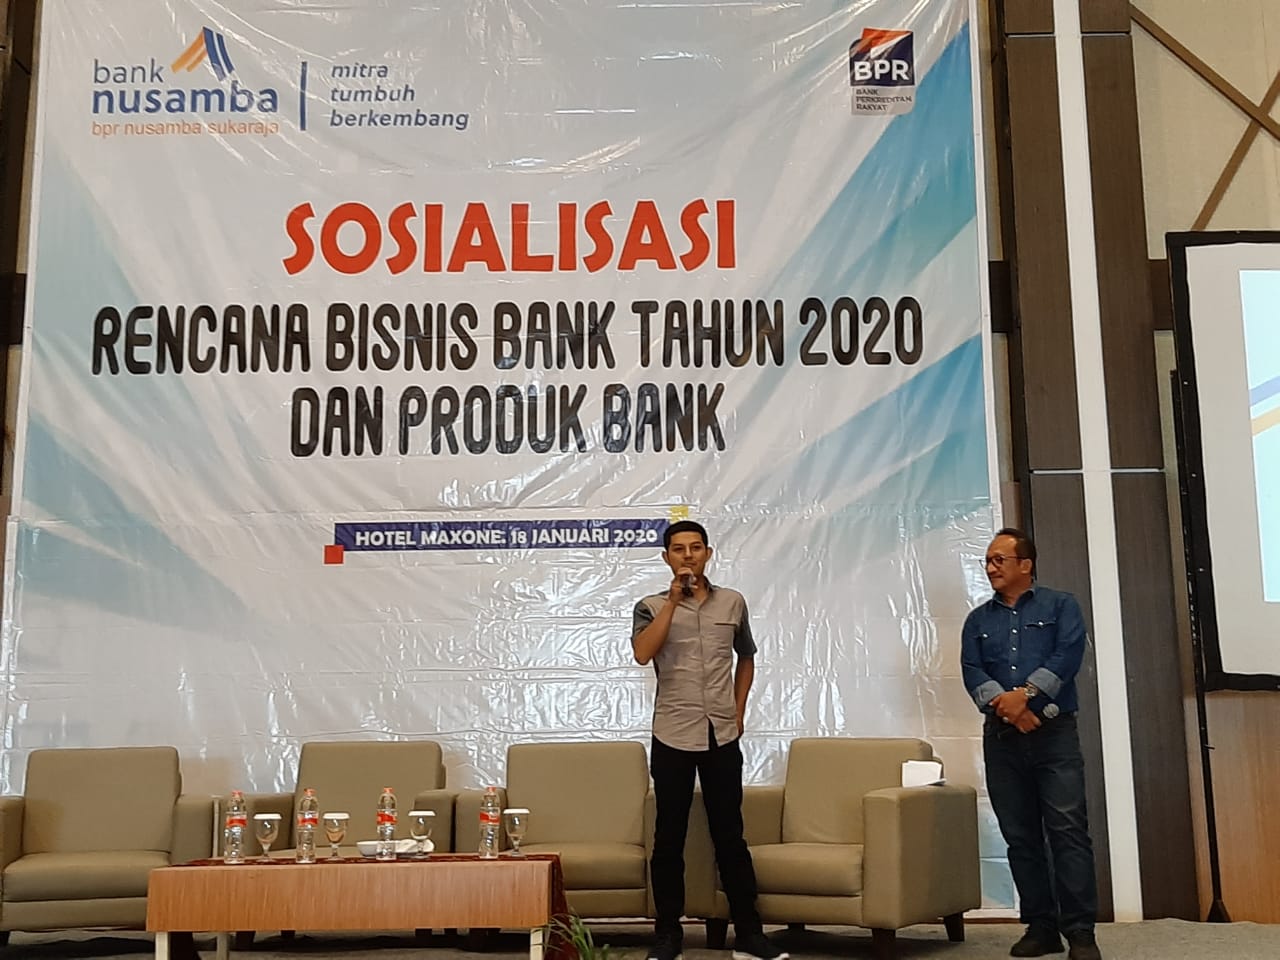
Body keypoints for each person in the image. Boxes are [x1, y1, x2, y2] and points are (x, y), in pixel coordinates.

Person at [632, 520, 787, 960]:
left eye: (696, 548)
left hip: (721, 733)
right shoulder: (649, 605)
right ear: (666, 557)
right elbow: (643, 653)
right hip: (672, 732)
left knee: (730, 836)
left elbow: (747, 657)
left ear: (708, 553)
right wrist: (672, 601)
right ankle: (668, 936)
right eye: (679, 549)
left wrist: (738, 711)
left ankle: (750, 934)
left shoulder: (732, 602)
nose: (688, 556)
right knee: (669, 838)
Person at [961, 528, 1102, 960]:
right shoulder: (977, 620)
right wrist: (1010, 708)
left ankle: (1080, 932)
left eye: (999, 560)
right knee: (1021, 838)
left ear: (1026, 564)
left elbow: (1068, 655)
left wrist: (1025, 694)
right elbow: (972, 671)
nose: (991, 568)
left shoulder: (1061, 606)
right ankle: (1041, 928)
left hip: (1054, 736)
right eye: (988, 561)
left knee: (1067, 832)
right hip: (1002, 740)